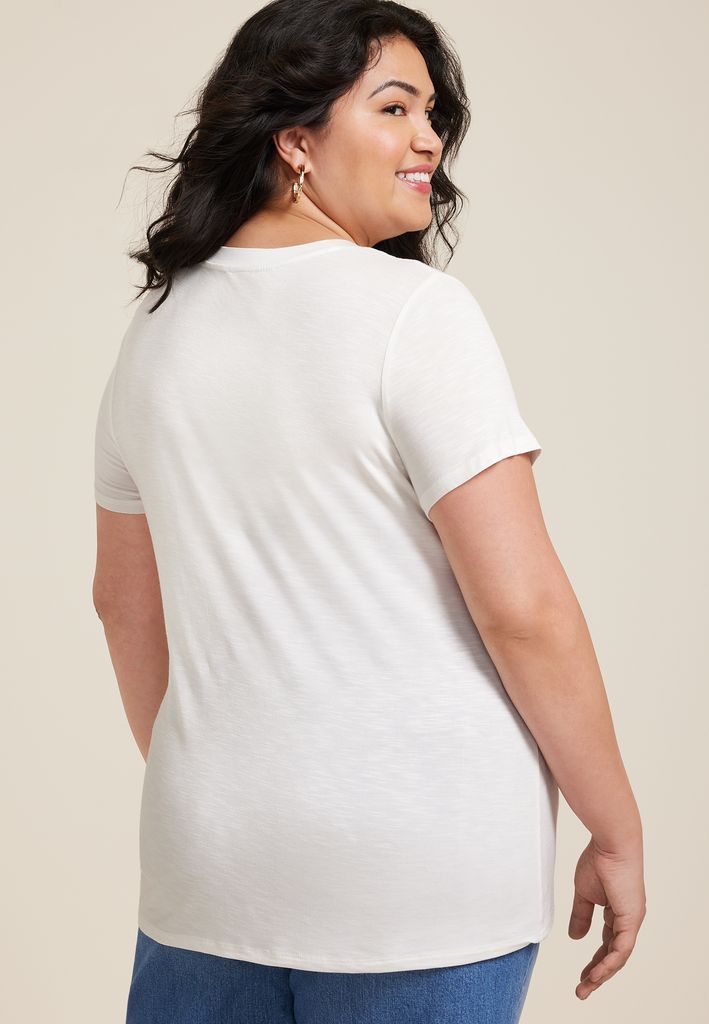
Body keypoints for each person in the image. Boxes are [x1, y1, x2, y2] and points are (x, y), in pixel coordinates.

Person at [92, 1, 647, 1021]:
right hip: (419, 879)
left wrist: (224, 795)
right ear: (294, 139)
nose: (427, 138)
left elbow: (123, 605)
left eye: (431, 113)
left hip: (209, 871)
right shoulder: (413, 314)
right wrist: (614, 830)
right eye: (393, 108)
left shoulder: (157, 334)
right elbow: (522, 608)